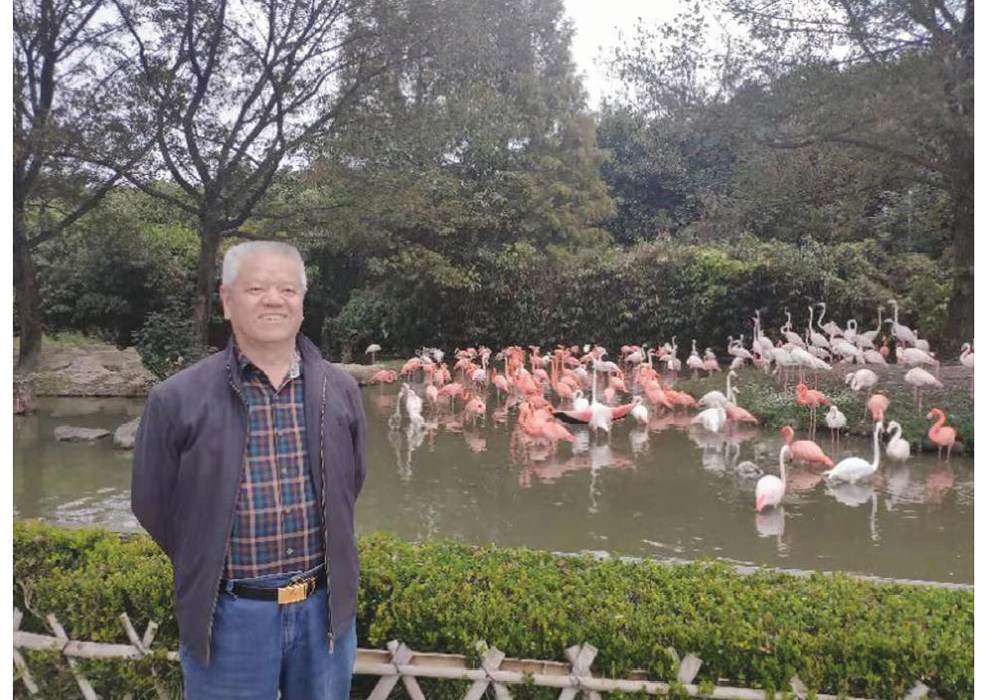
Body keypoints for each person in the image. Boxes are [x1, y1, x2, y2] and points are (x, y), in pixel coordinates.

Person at [132, 241, 367, 699]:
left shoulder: (339, 390)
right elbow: (150, 504)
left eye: (287, 289)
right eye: (256, 288)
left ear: (302, 302)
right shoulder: (176, 398)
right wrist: (204, 558)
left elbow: (350, 482)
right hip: (229, 615)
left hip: (322, 612)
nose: (274, 300)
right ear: (227, 300)